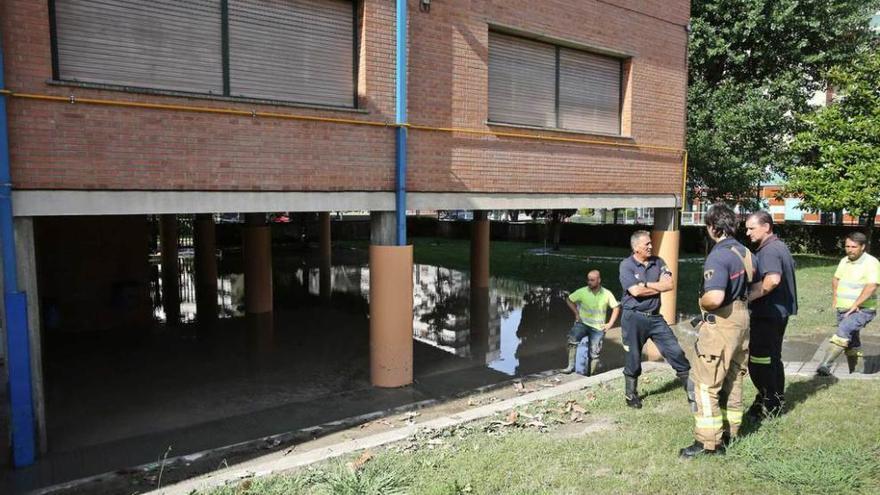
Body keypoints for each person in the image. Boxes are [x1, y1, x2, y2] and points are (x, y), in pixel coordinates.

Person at [681, 203, 757, 458]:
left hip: (722, 324)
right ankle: (731, 432)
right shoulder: (746, 252)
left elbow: (713, 298)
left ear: (713, 227)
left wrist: (702, 303)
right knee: (734, 379)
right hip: (742, 322)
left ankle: (707, 443)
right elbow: (754, 287)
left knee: (706, 385)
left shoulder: (718, 255)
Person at [618, 230, 691, 409]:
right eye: (647, 244)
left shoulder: (659, 262)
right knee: (633, 357)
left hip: (655, 318)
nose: (651, 246)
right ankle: (631, 395)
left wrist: (646, 285)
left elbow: (669, 285)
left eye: (651, 243)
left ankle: (692, 391)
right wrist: (656, 287)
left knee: (676, 351)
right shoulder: (626, 266)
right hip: (632, 318)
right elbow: (636, 292)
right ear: (636, 248)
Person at [744, 211, 798, 418]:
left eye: (751, 228)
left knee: (760, 360)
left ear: (766, 227)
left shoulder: (769, 251)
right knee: (772, 358)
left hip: (767, 314)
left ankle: (770, 403)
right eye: (747, 228)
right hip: (776, 313)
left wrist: (747, 297)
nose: (748, 232)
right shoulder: (779, 246)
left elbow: (772, 280)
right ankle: (773, 398)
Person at [816, 232, 879, 376]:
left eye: (854, 247)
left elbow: (872, 286)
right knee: (851, 340)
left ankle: (825, 365)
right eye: (847, 246)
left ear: (863, 247)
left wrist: (856, 304)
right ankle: (857, 372)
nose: (849, 249)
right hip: (843, 309)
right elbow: (836, 279)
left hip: (863, 309)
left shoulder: (871, 262)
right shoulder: (844, 261)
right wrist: (835, 299)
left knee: (843, 331)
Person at [563, 269, 621, 376]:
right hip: (582, 323)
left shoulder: (607, 293)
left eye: (592, 280)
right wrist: (576, 313)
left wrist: (610, 323)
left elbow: (616, 307)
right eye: (588, 280)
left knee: (594, 353)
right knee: (572, 340)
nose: (589, 282)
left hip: (598, 328)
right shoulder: (582, 291)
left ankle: (591, 374)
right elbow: (569, 299)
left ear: (599, 280)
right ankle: (570, 367)